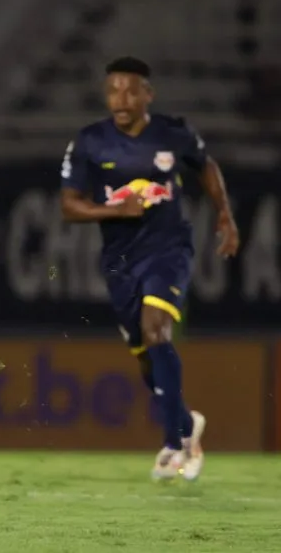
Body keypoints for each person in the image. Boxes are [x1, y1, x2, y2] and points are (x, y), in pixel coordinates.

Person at [59, 56, 239, 481]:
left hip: (168, 249)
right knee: (145, 356)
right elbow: (69, 205)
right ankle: (185, 423)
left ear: (147, 94)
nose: (120, 98)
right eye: (112, 90)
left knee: (157, 328)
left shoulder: (172, 134)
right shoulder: (89, 141)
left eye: (129, 90)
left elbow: (206, 167)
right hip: (119, 260)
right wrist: (113, 209)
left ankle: (174, 446)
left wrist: (225, 215)